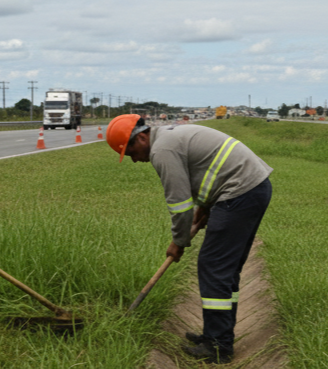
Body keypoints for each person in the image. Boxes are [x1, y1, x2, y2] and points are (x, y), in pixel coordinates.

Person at [106, 114, 272, 364]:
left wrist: (179, 242)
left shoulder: (162, 150)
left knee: (214, 267)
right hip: (250, 188)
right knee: (225, 270)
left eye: (130, 151)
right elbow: (208, 170)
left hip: (239, 193)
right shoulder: (169, 137)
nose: (133, 159)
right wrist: (205, 206)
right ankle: (216, 335)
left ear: (141, 137)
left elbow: (180, 205)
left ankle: (218, 346)